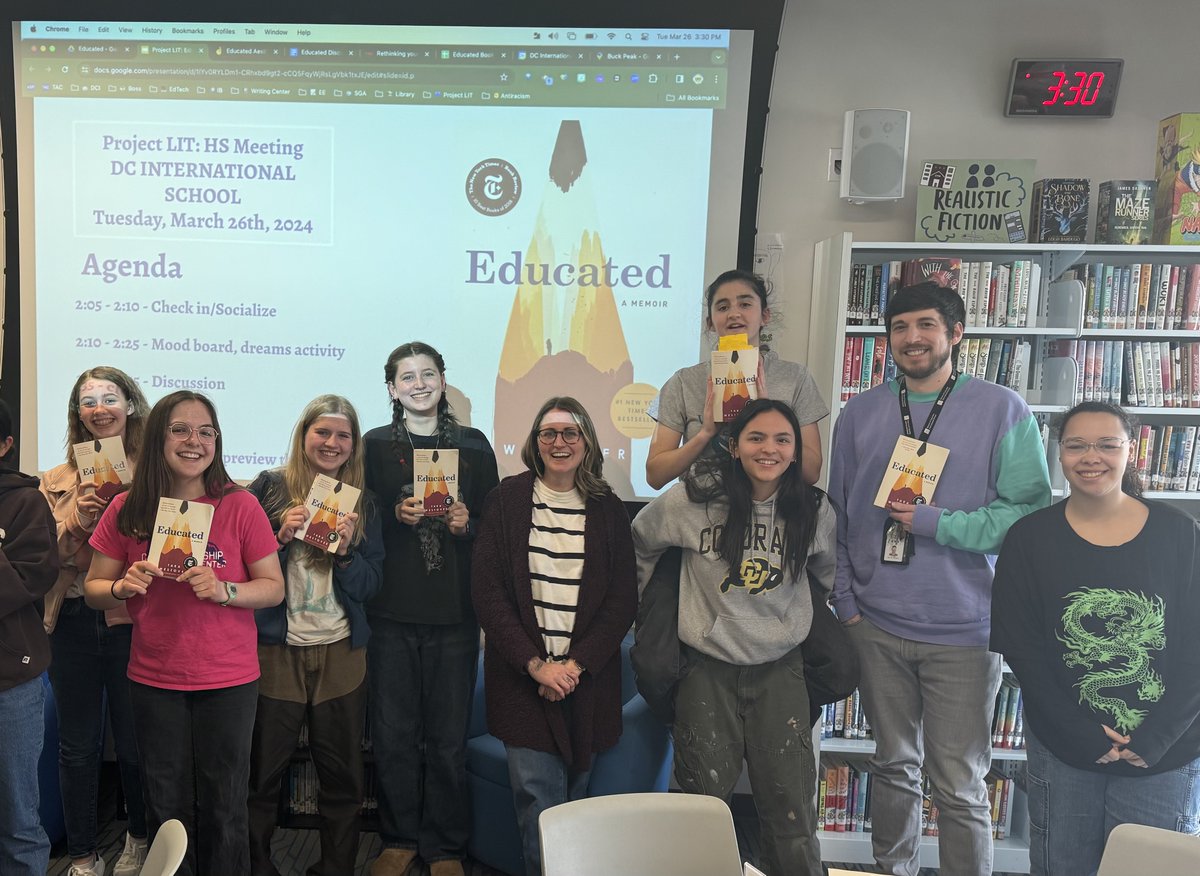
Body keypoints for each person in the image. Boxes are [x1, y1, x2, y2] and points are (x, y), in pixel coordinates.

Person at [828, 281, 1051, 876]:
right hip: (875, 623)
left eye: (926, 325)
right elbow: (840, 511)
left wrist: (937, 523)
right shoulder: (861, 412)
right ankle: (892, 870)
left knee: (959, 782)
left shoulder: (1003, 409)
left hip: (964, 629)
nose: (912, 338)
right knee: (893, 765)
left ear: (956, 334)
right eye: (899, 328)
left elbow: (1027, 514)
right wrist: (846, 601)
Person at [991, 402, 1200, 876]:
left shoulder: (1181, 535)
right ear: (1059, 453)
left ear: (1131, 450)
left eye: (1108, 444)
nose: (1092, 457)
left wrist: (1156, 737)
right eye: (1076, 445)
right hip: (1066, 752)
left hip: (1165, 753)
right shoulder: (1029, 539)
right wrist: (1079, 734)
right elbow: (1023, 651)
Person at [84, 391, 285, 876]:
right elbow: (93, 589)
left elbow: (273, 589)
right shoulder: (129, 507)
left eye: (206, 431)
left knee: (225, 804)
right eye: (180, 429)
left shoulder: (241, 505)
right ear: (159, 437)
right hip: (155, 679)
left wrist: (226, 591)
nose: (194, 441)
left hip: (230, 680)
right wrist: (120, 584)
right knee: (166, 805)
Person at [633, 398, 835, 876]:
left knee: (791, 809)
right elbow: (640, 542)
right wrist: (648, 605)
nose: (770, 449)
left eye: (783, 439)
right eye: (756, 438)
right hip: (707, 667)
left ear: (795, 450)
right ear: (734, 446)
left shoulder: (813, 509)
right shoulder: (692, 500)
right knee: (701, 807)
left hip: (780, 668)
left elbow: (825, 573)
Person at [472, 397, 637, 876]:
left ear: (586, 442)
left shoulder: (608, 509)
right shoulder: (506, 501)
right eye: (549, 433)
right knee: (540, 813)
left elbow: (622, 601)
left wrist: (574, 667)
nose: (559, 442)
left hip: (586, 683)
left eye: (570, 433)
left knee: (577, 811)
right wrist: (537, 666)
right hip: (524, 683)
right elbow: (488, 594)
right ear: (534, 441)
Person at [365, 342, 499, 876]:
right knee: (393, 737)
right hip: (390, 615)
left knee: (446, 740)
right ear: (392, 388)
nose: (418, 384)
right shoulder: (372, 446)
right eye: (407, 377)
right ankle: (398, 838)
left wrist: (471, 526)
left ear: (443, 380)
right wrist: (388, 512)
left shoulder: (475, 446)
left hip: (455, 617)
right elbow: (354, 527)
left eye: (428, 374)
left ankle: (445, 846)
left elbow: (497, 534)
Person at [246, 395, 384, 876]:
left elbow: (372, 586)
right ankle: (257, 866)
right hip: (275, 653)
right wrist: (277, 535)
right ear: (303, 435)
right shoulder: (268, 489)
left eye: (342, 435)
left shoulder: (362, 503)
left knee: (343, 777)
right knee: (262, 773)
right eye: (322, 432)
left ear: (353, 445)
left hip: (341, 653)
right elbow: (244, 567)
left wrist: (346, 554)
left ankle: (336, 868)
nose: (331, 442)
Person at [40, 367, 151, 876]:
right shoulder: (56, 480)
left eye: (111, 398)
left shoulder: (158, 472)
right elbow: (45, 559)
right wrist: (80, 519)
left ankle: (139, 839)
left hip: (136, 620)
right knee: (78, 745)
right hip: (74, 621)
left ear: (130, 405)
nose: (100, 408)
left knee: (136, 742)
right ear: (77, 414)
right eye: (89, 401)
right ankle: (84, 853)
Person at [646, 269, 827, 489]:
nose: (733, 314)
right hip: (700, 513)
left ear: (765, 316)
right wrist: (705, 434)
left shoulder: (795, 378)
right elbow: (655, 476)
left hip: (772, 513)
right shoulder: (684, 382)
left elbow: (812, 473)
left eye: (745, 304)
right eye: (722, 307)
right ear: (710, 322)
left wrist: (767, 414)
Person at [0, 398, 60, 876]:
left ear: (6, 445)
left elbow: (27, 582)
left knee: (18, 817)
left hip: (10, 683)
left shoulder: (25, 502)